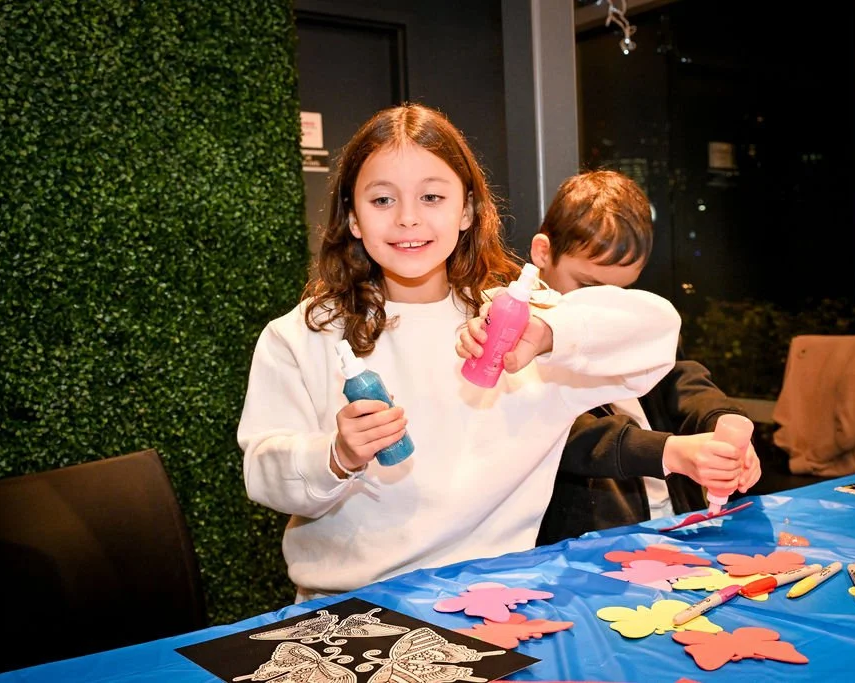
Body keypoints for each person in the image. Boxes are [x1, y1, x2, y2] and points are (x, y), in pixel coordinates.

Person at [237, 103, 682, 601]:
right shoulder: (303, 335)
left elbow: (657, 330)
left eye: (431, 196)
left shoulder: (512, 322)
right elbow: (263, 473)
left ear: (466, 210)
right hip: (352, 609)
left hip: (494, 602)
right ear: (353, 217)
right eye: (382, 199)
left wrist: (547, 334)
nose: (408, 218)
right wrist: (337, 455)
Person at [531, 170, 762, 546]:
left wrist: (721, 423)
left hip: (672, 524)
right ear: (543, 252)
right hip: (587, 541)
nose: (605, 305)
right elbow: (559, 431)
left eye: (623, 290)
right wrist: (669, 452)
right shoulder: (519, 333)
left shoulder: (635, 322)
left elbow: (681, 378)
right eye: (587, 286)